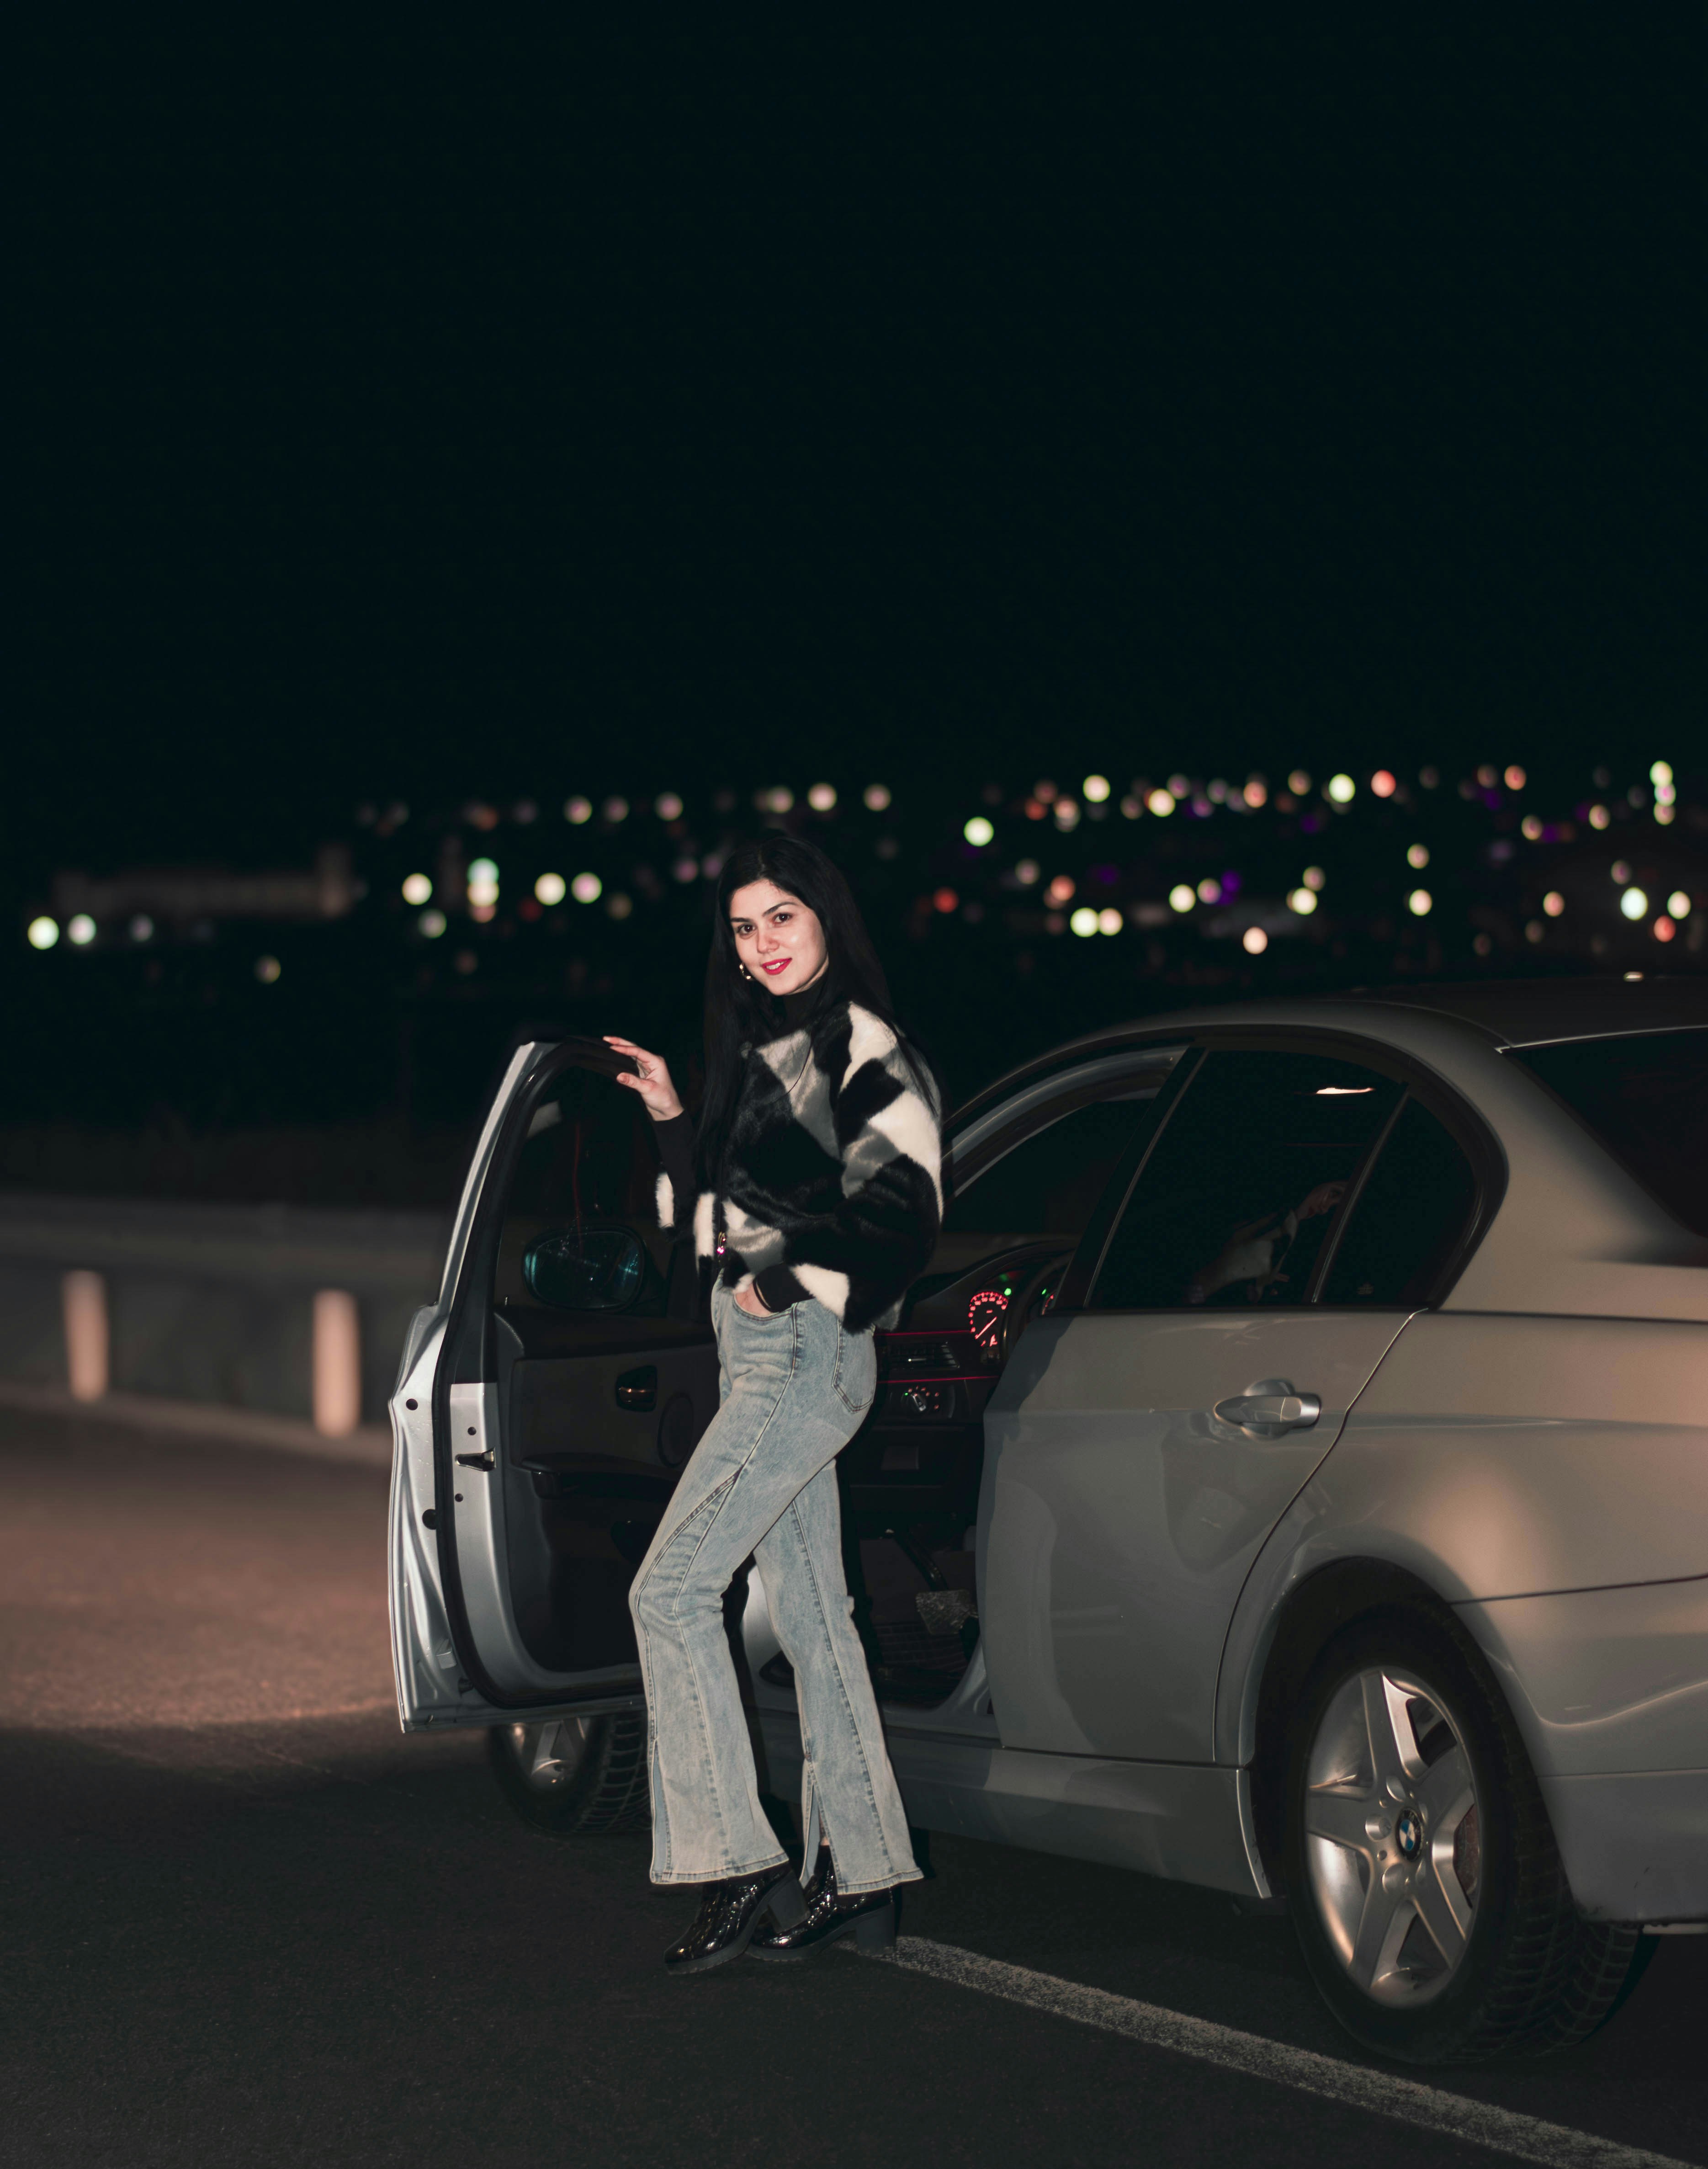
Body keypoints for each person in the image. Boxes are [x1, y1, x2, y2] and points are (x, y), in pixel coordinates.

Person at [604, 834, 943, 1976]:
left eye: (782, 918)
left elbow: (904, 1211)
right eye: (745, 929)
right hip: (765, 1351)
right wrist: (668, 1113)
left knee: (670, 1589)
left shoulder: (858, 1042)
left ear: (826, 920)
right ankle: (864, 1869)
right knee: (810, 1615)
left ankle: (737, 1863)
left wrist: (783, 1278)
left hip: (803, 1350)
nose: (763, 944)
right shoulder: (772, 1054)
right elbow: (712, 1223)